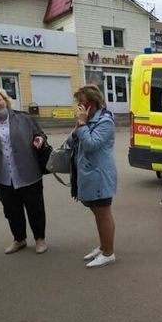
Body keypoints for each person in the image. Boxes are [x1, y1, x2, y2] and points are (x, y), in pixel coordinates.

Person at [0, 89, 48, 254]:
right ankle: (19, 240)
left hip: (28, 171)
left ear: (5, 100)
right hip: (3, 176)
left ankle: (40, 239)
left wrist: (39, 139)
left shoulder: (23, 118)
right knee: (11, 211)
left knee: (35, 208)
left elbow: (40, 133)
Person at [67, 86, 117, 268]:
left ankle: (109, 253)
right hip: (88, 173)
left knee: (103, 213)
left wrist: (82, 124)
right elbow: (72, 142)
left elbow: (91, 144)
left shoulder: (105, 122)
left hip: (99, 175)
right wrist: (78, 124)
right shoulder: (88, 119)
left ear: (92, 103)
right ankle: (104, 246)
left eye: (81, 103)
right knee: (97, 212)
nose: (78, 107)